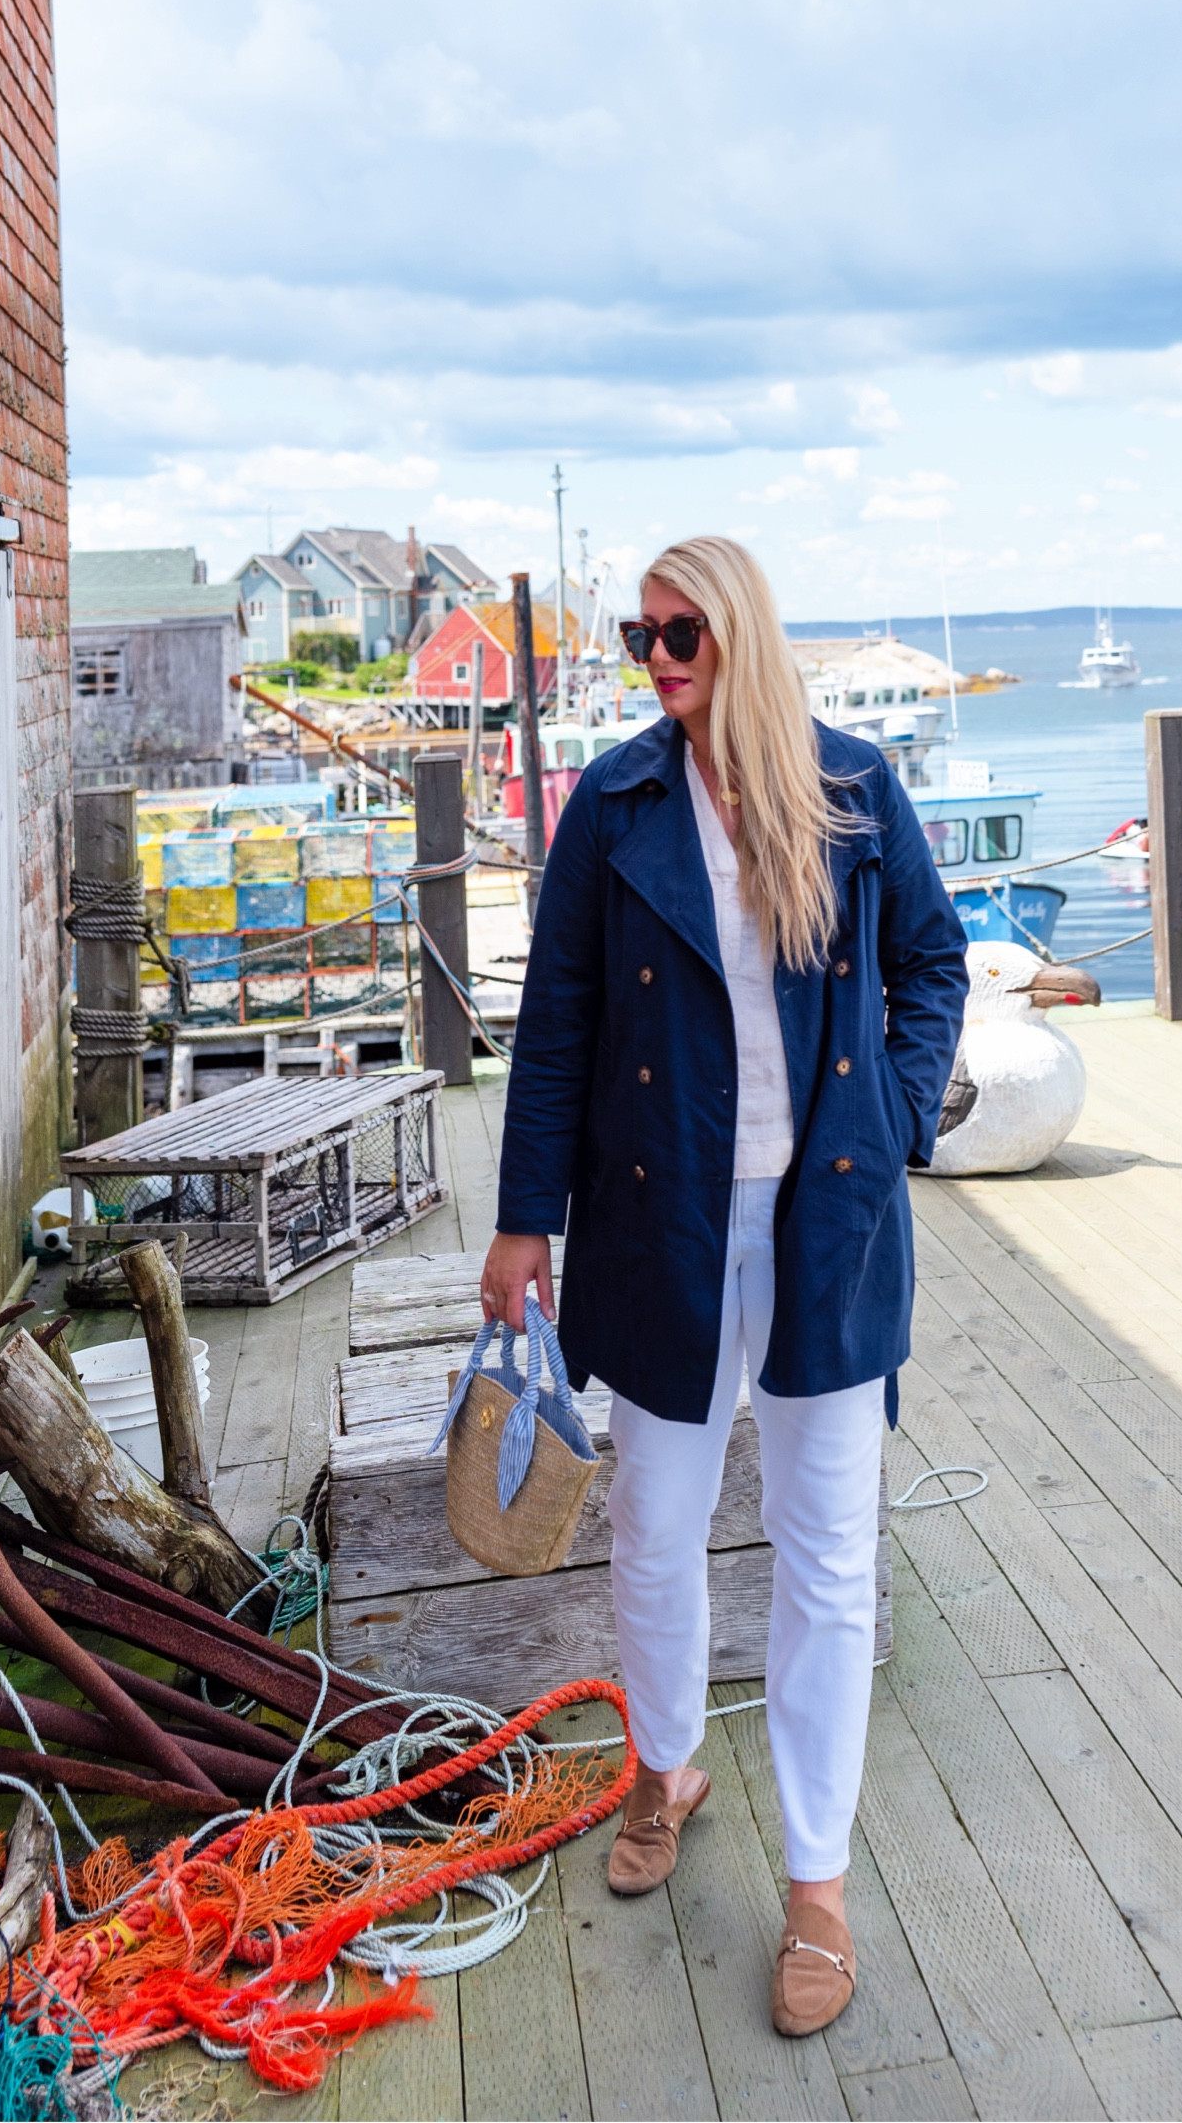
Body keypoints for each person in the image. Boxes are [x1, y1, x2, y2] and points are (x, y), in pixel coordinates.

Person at [480, 536, 966, 2036]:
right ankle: (666, 1764)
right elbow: (554, 1027)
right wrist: (519, 1226)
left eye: (680, 630)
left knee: (827, 1558)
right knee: (653, 1530)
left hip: (827, 1222)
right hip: (657, 1221)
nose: (658, 656)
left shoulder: (852, 788)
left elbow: (931, 966)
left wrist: (886, 1116)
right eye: (639, 636)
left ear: (739, 628)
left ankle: (815, 1883)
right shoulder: (614, 804)